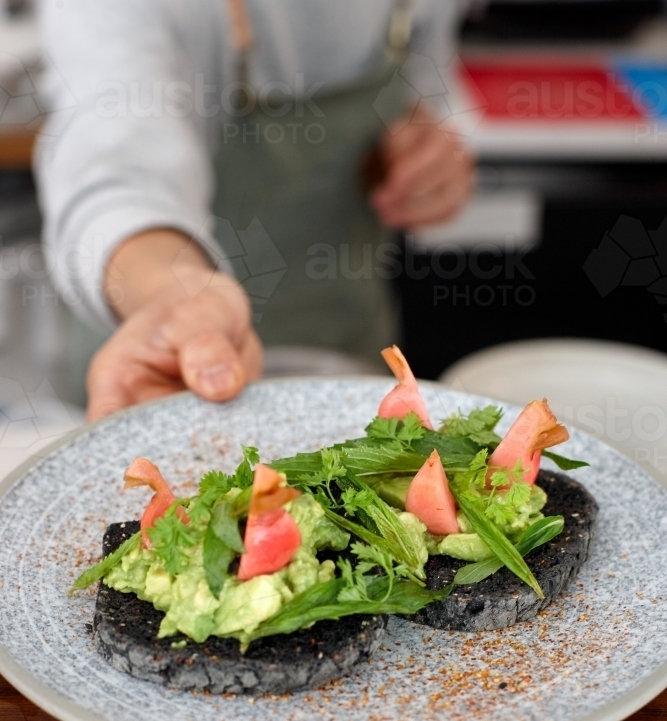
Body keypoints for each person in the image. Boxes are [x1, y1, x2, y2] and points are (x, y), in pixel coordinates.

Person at [36, 0, 474, 420]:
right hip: (165, 369)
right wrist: (176, 295)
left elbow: (427, 82)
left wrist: (422, 149)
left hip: (348, 350)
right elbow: (115, 173)